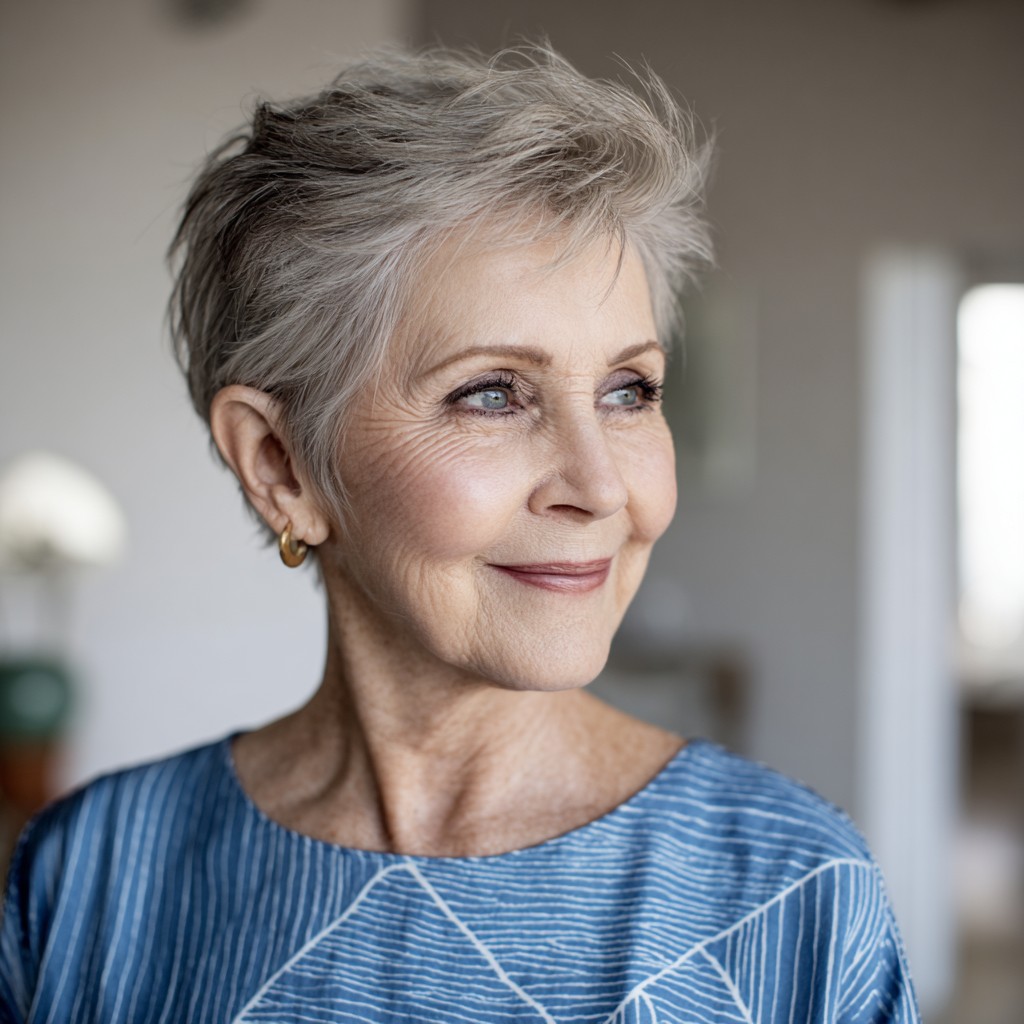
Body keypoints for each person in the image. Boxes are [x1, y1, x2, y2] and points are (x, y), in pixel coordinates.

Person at [0, 44, 918, 1022]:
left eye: (628, 389)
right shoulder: (89, 875)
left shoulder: (790, 892)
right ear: (280, 466)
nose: (600, 485)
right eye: (490, 393)